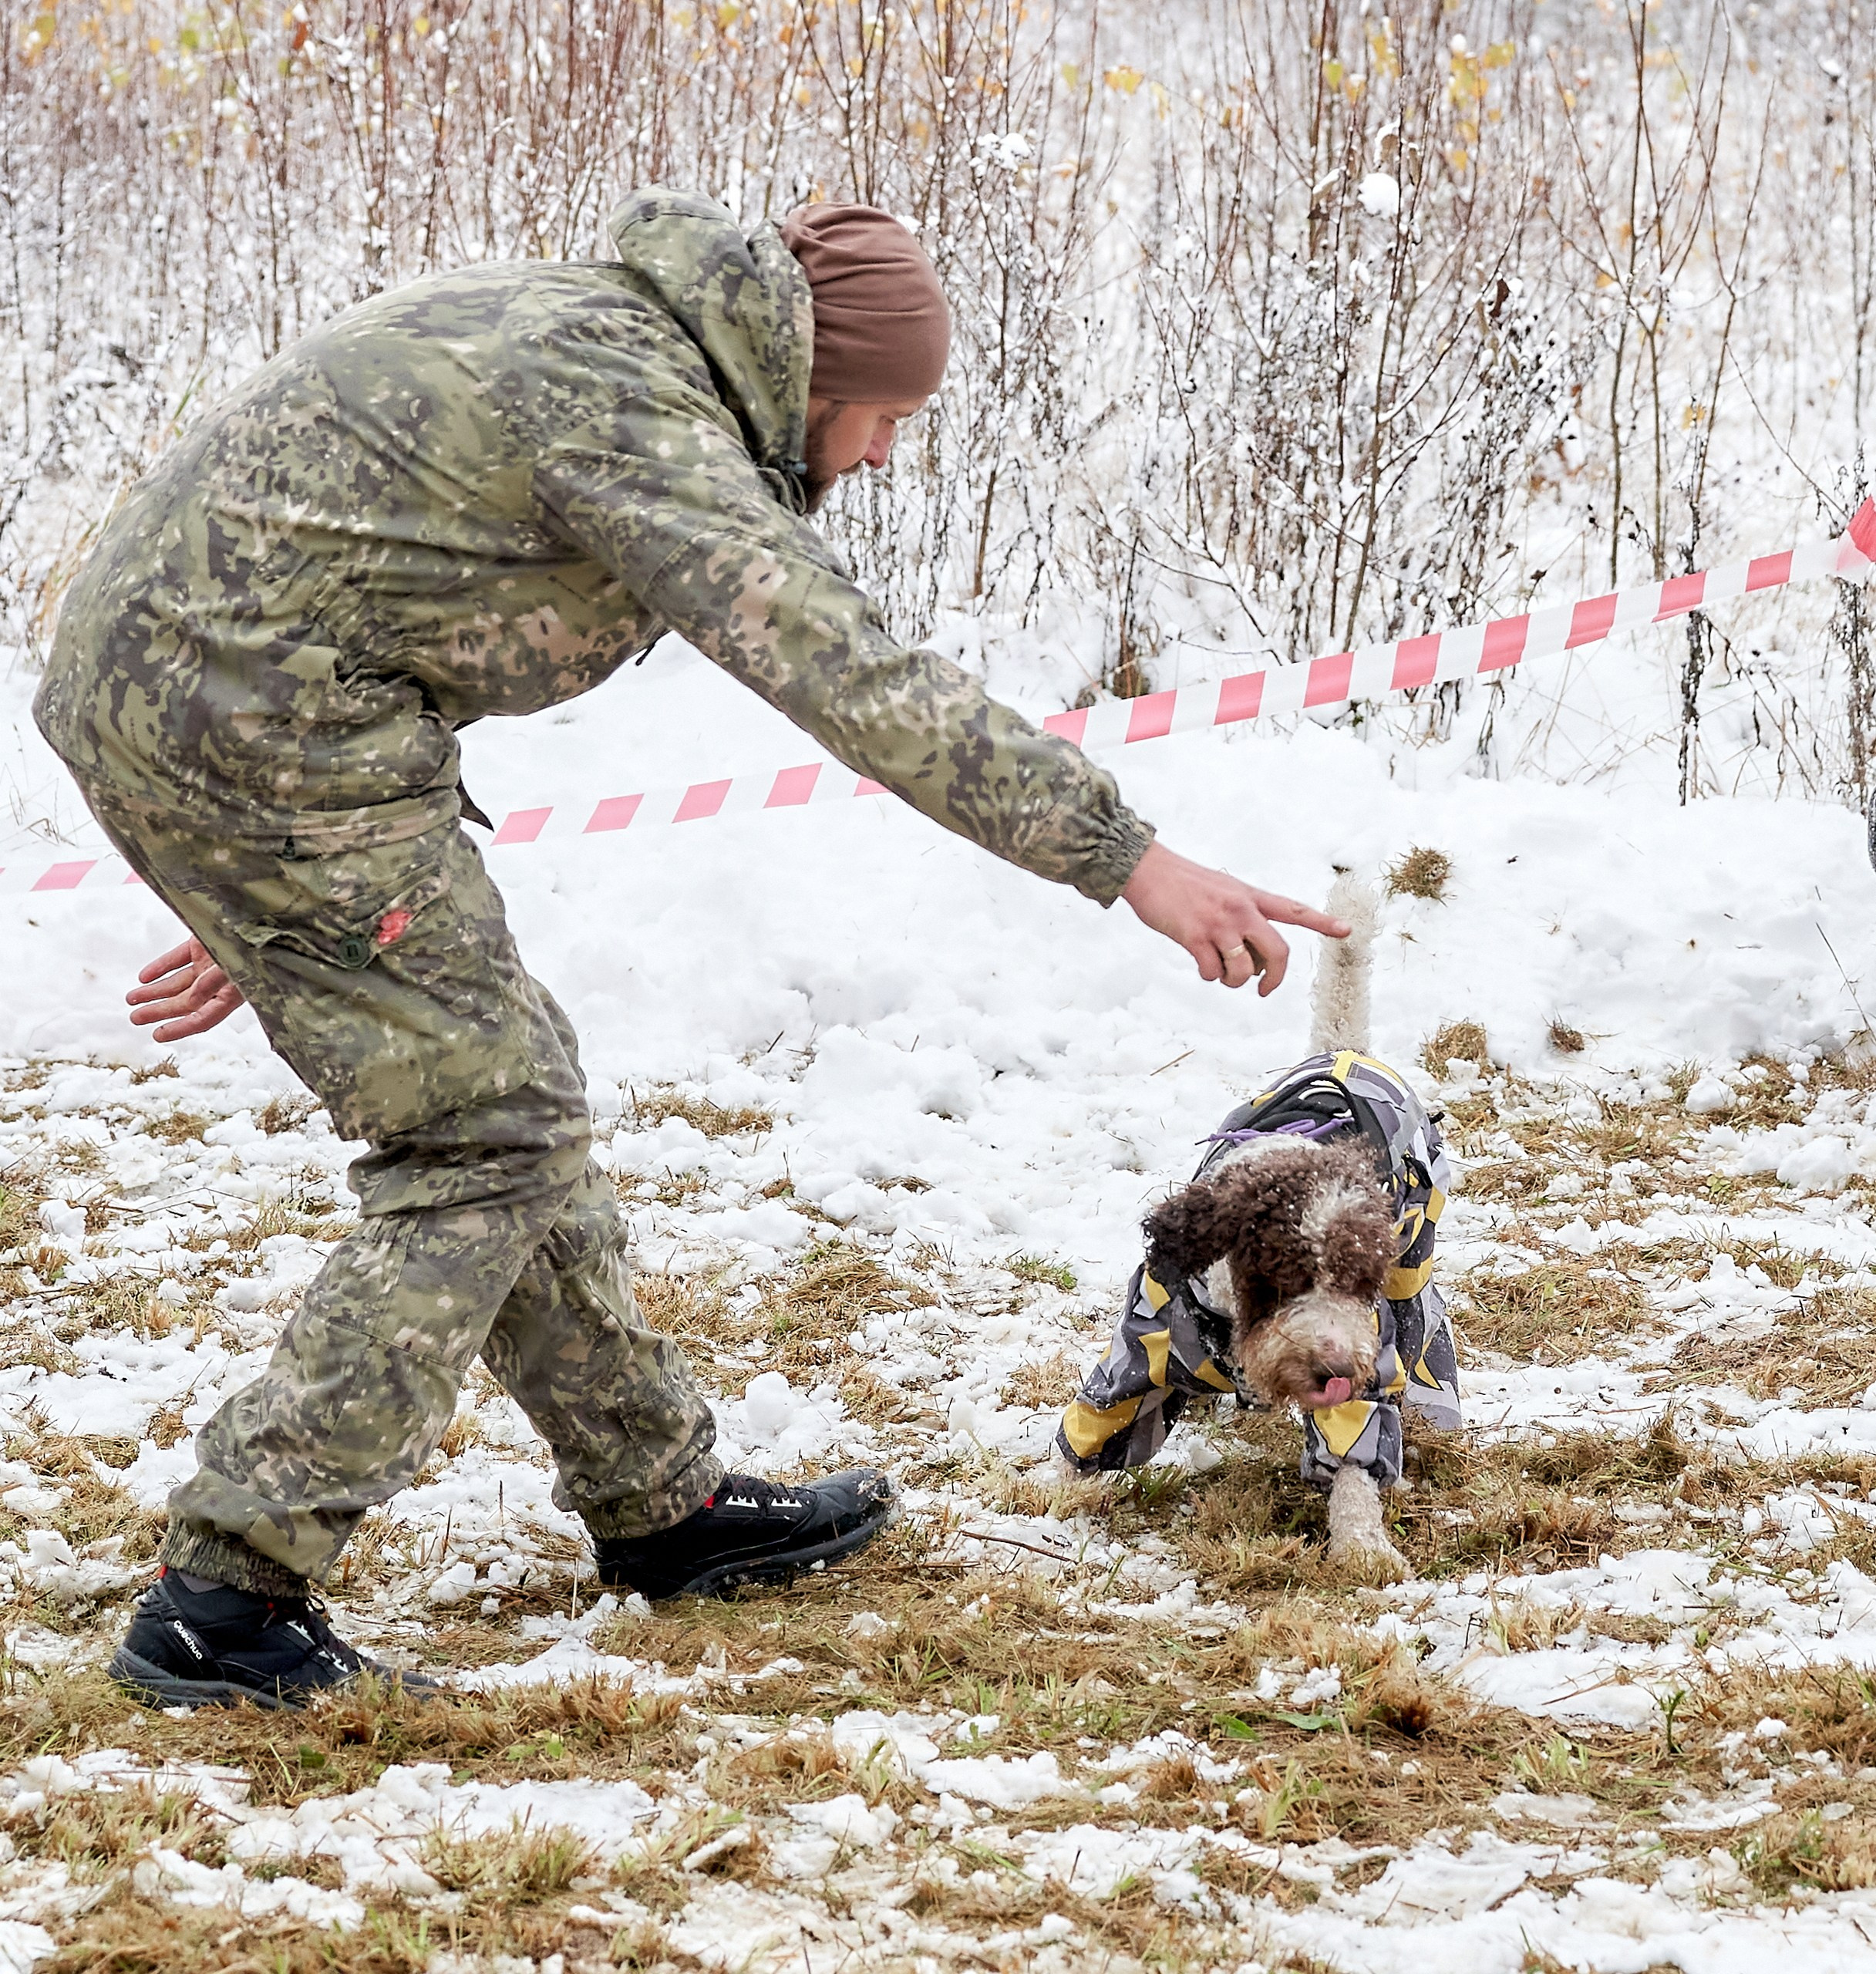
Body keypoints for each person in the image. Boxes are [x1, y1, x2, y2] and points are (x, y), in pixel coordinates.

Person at [36, 190, 1346, 1708]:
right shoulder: (638, 411)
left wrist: (248, 868)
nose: (882, 453)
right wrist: (1130, 860)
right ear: (814, 377)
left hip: (235, 705)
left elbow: (362, 562)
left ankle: (661, 1506)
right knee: (485, 1131)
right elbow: (847, 669)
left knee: (503, 1097)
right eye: (882, 417)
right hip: (255, 718)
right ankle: (226, 1594)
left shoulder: (614, 337)